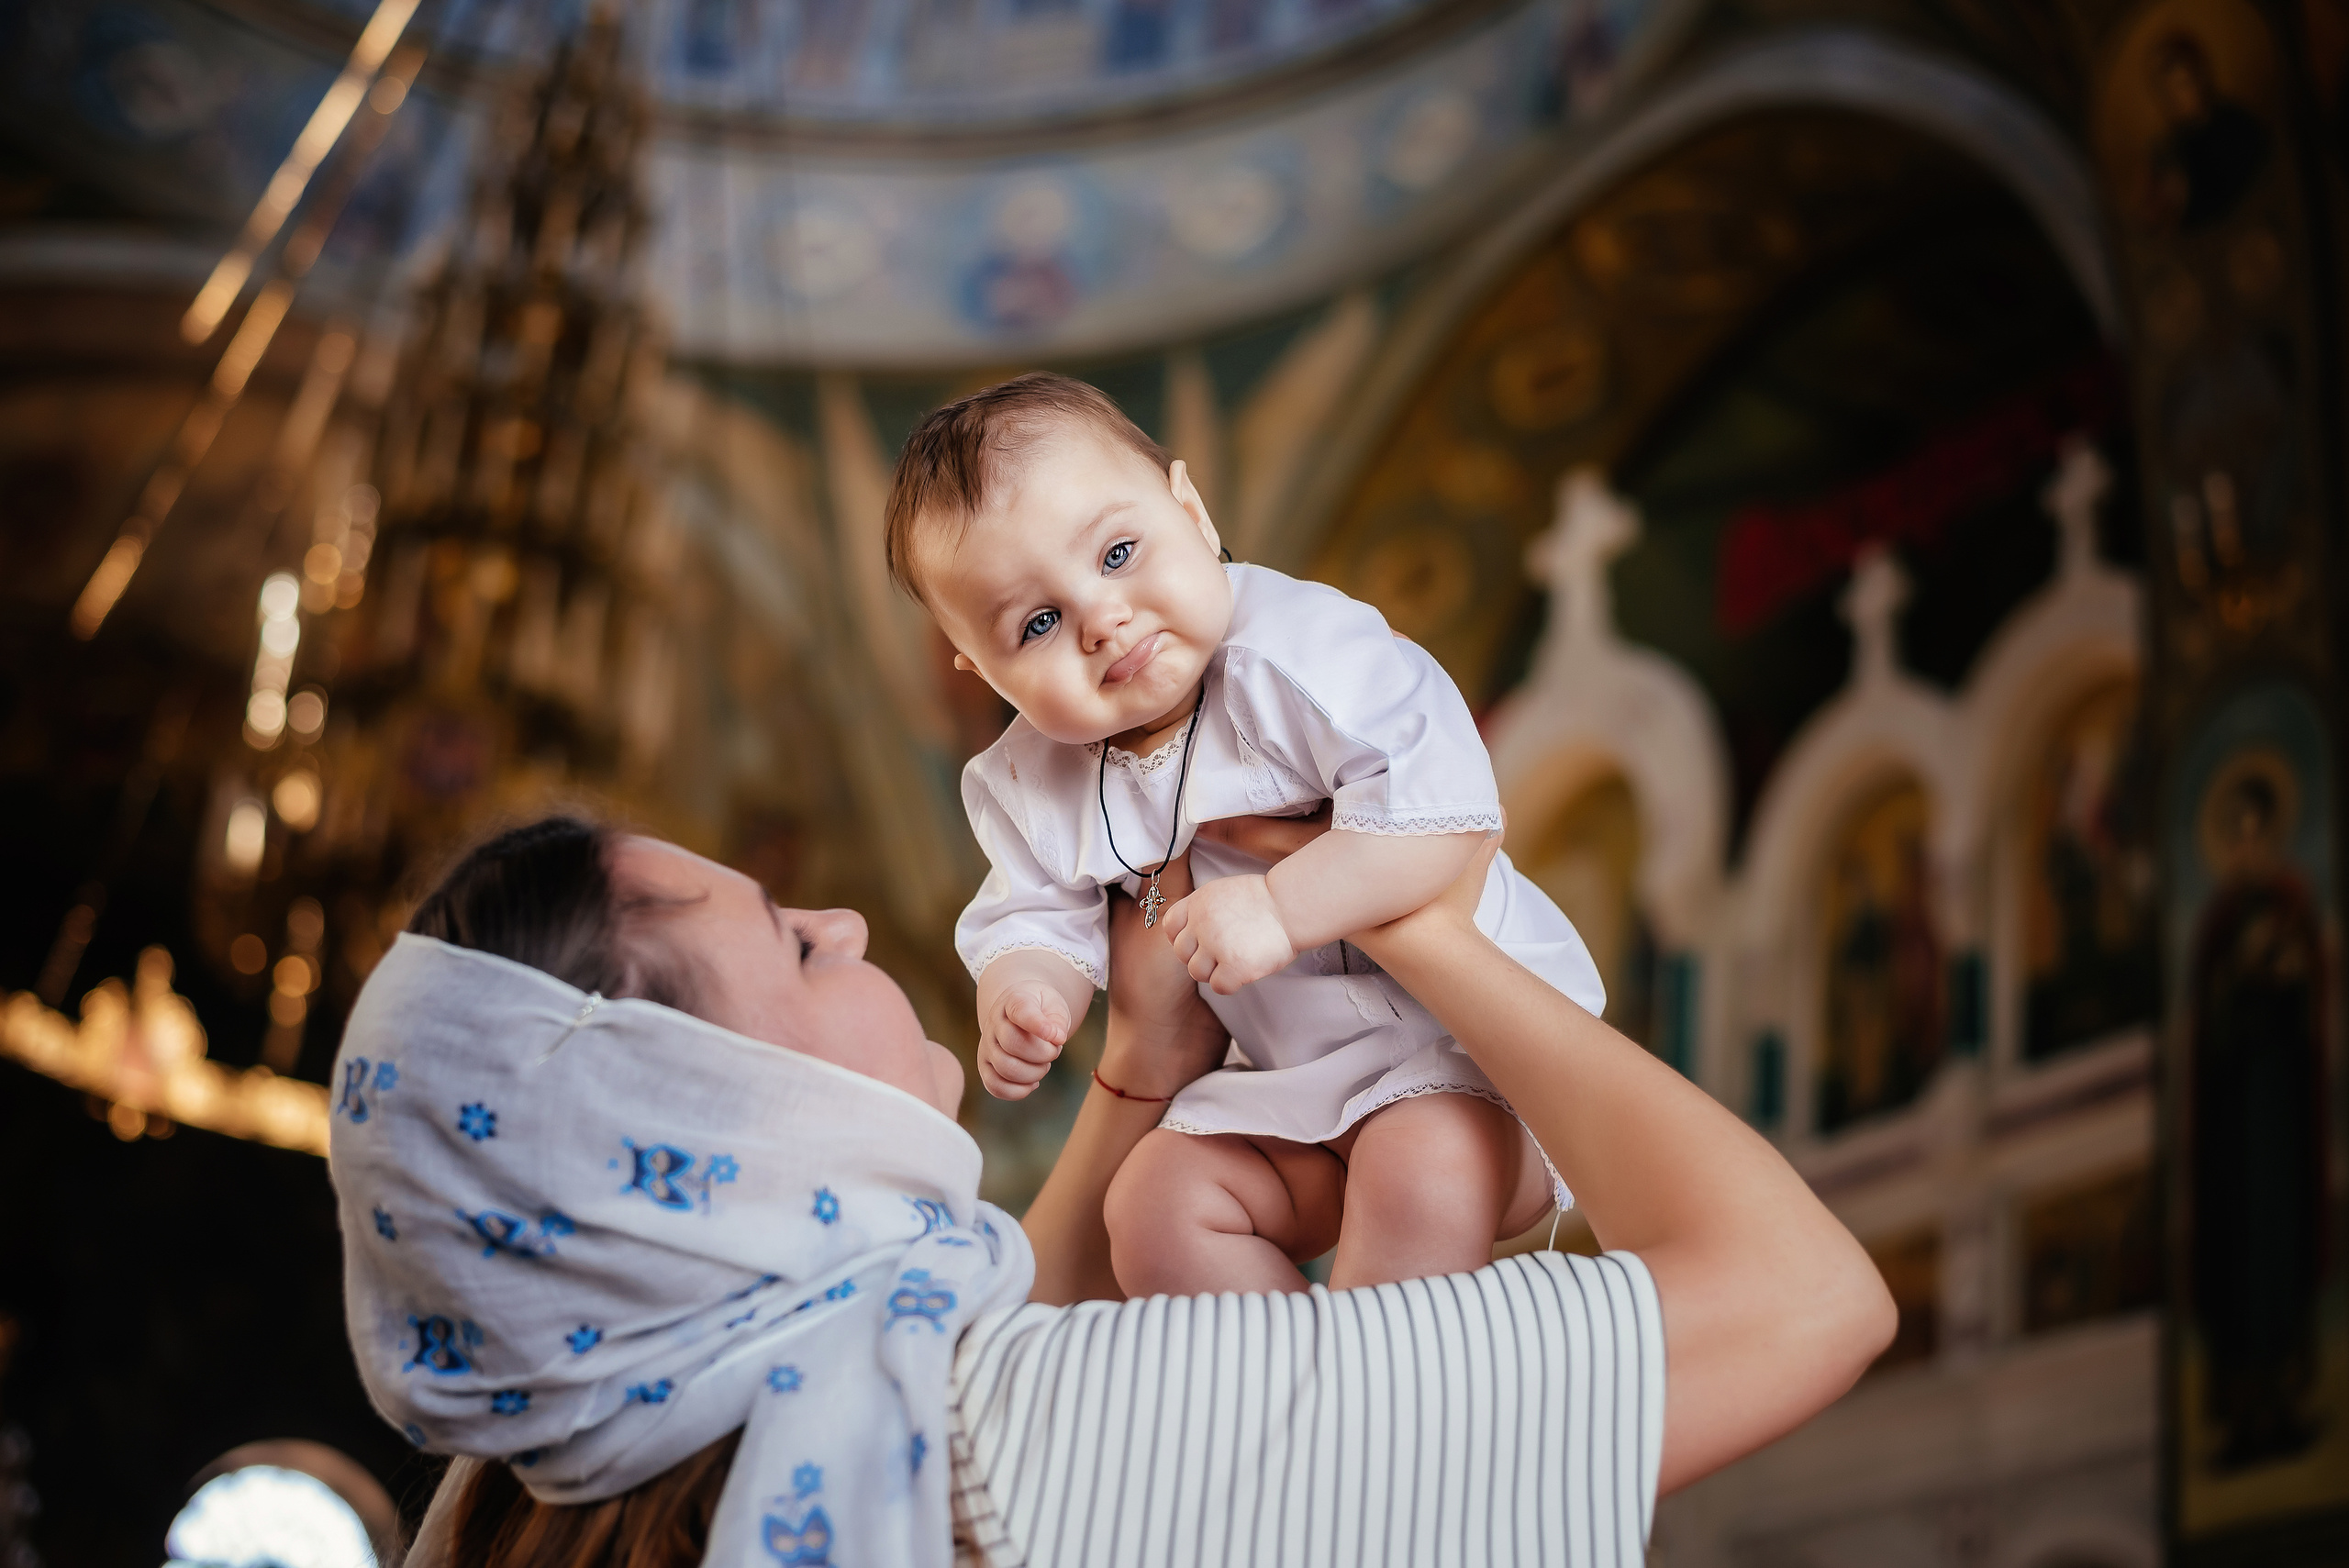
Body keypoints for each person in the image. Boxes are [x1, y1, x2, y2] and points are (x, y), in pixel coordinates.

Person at [340, 811, 1891, 1566]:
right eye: (795, 945)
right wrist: (1405, 903)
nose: (851, 920)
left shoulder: (510, 1508)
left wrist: (1145, 1059)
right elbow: (1804, 1295)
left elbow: (997, 1321)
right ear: (706, 1121)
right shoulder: (1033, 1437)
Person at [885, 372, 1605, 1296]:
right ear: (981, 669)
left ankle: (1376, 1416)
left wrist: (1283, 903)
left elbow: (1449, 813)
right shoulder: (1034, 779)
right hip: (1291, 1085)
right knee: (1153, 1203)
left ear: (1188, 506)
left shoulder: (1298, 654)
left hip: (1468, 1059)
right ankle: (1280, 1388)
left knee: (1420, 1164)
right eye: (1036, 622)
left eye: (1115, 554)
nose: (1102, 621)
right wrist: (1030, 994)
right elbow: (1033, 914)